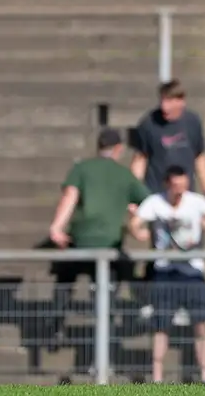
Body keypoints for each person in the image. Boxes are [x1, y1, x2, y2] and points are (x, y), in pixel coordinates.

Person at [46, 128, 148, 351]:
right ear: (119, 149)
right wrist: (137, 225)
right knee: (105, 294)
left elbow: (69, 197)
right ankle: (105, 343)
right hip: (109, 243)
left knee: (64, 283)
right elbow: (147, 202)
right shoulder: (124, 175)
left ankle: (56, 326)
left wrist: (56, 227)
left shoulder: (81, 168)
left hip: (80, 240)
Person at [129, 165, 205, 384]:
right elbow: (135, 222)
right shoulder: (155, 202)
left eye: (183, 184)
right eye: (175, 185)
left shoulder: (196, 201)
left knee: (201, 323)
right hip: (165, 271)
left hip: (192, 271)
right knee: (162, 324)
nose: (179, 191)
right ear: (167, 184)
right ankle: (157, 377)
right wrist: (138, 231)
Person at [131, 79, 205, 203]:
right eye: (163, 100)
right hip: (157, 196)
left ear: (181, 101)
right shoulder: (148, 124)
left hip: (185, 197)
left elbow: (200, 157)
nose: (164, 107)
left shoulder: (192, 122)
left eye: (169, 101)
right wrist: (134, 194)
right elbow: (140, 160)